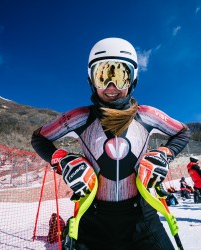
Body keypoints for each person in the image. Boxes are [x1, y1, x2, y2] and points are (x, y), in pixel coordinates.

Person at [31, 37, 190, 250]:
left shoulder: (147, 115)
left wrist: (164, 153)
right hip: (93, 219)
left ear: (133, 80)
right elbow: (39, 138)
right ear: (91, 80)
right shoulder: (80, 117)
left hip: (141, 217)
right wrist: (64, 160)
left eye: (120, 76)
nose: (111, 86)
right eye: (103, 76)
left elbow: (182, 132)